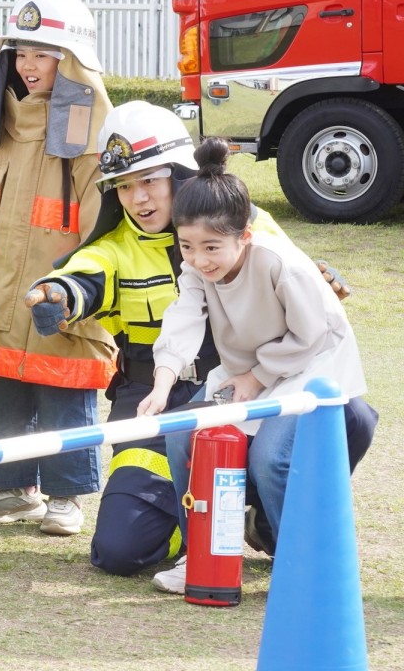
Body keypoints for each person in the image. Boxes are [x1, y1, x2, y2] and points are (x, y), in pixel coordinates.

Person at [23, 101, 283, 574]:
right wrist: (59, 293)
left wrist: (322, 277)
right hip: (153, 402)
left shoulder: (241, 217)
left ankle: (258, 520)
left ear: (181, 175)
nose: (138, 198)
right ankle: (196, 530)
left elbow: (291, 270)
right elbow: (84, 277)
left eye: (149, 180)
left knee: (336, 435)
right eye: (123, 186)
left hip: (248, 389)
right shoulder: (112, 248)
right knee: (120, 552)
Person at [138, 138, 378, 594]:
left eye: (211, 247)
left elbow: (314, 333)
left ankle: (301, 561)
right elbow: (183, 319)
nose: (198, 259)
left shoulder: (278, 261)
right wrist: (164, 381)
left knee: (270, 458)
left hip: (312, 367)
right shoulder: (196, 265)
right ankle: (201, 552)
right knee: (180, 435)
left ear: (243, 236)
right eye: (186, 246)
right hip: (248, 370)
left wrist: (258, 376)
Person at [0, 0, 117, 536]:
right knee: (5, 394)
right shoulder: (2, 125)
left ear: (73, 60)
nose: (28, 66)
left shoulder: (97, 132)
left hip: (63, 291)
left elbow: (100, 225)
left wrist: (73, 287)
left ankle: (67, 497)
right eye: (20, 54)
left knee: (64, 392)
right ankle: (12, 490)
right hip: (2, 288)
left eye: (43, 54)